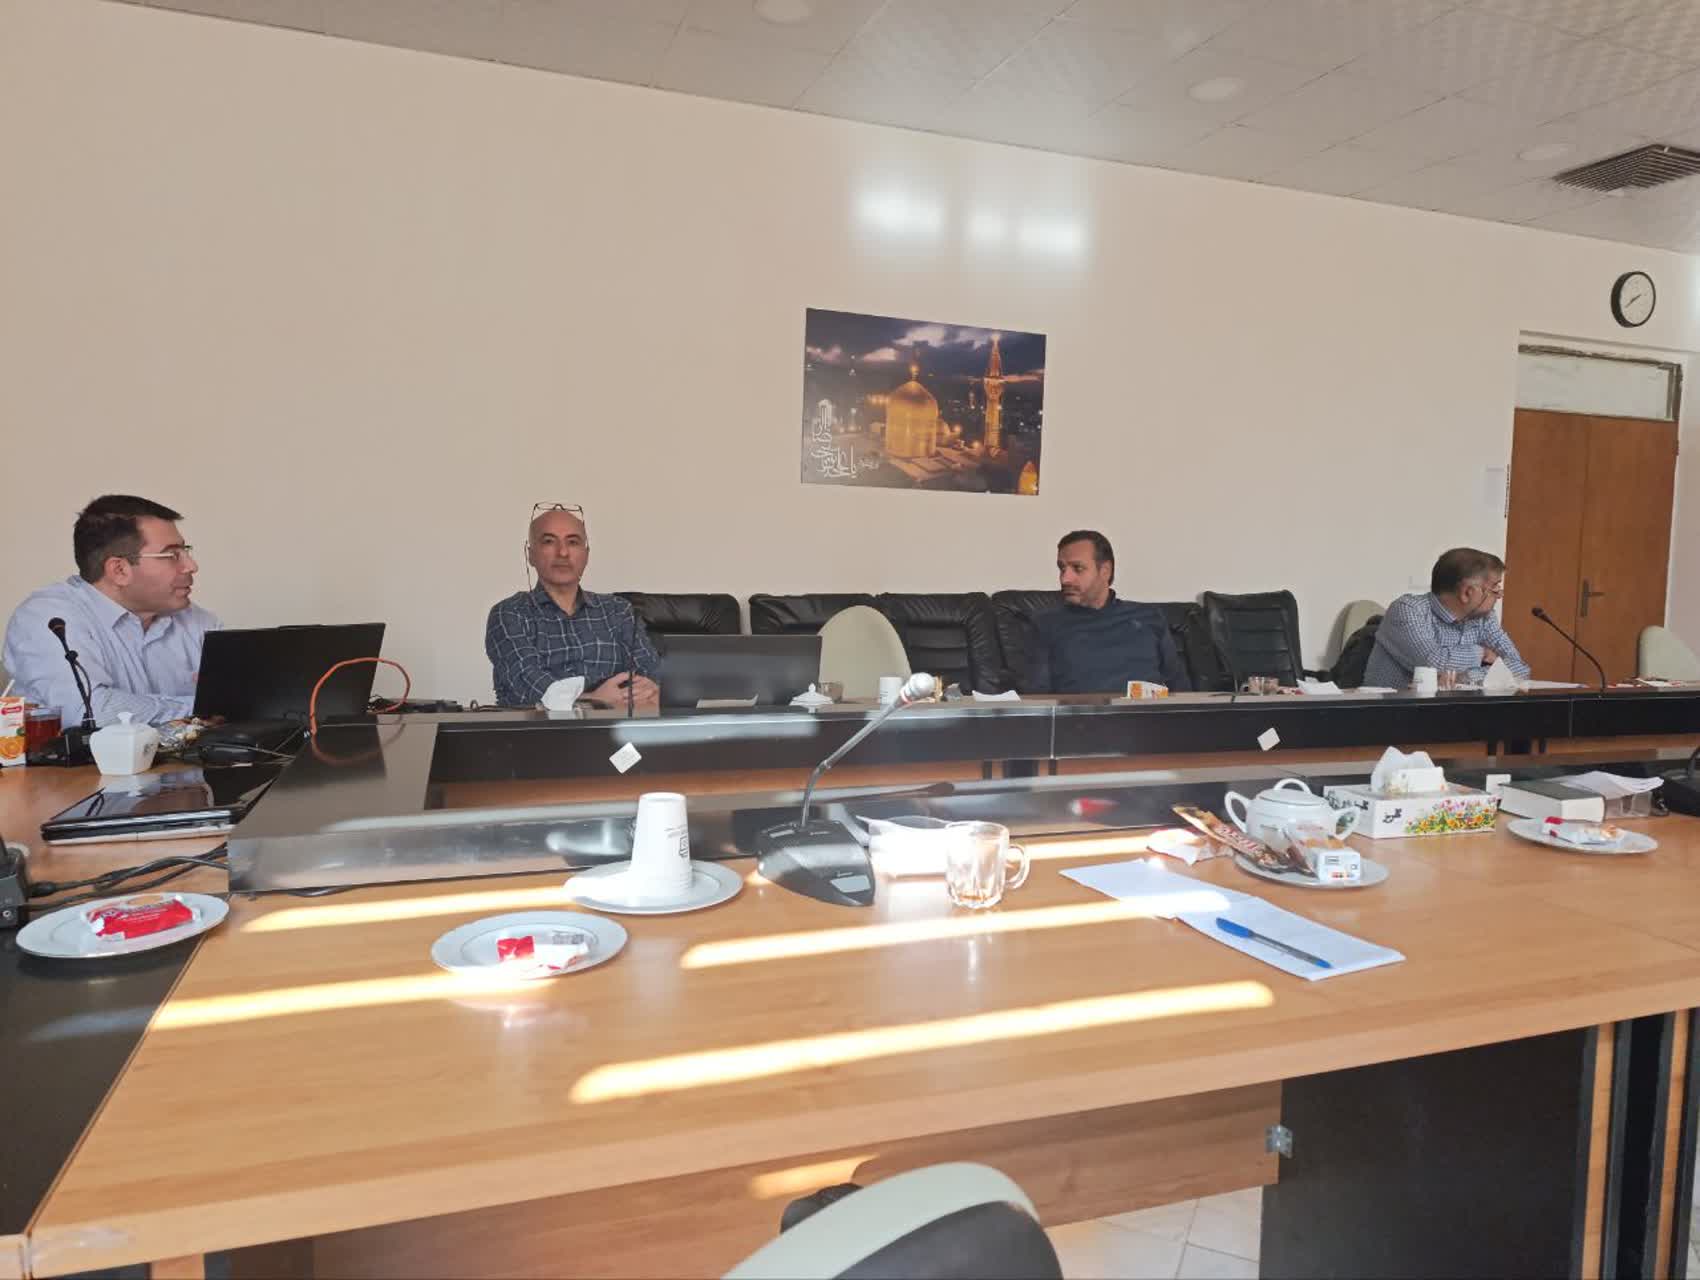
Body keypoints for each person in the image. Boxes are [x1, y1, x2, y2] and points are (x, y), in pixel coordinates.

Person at [3, 494, 219, 726]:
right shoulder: (50, 619)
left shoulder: (197, 621)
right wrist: (203, 708)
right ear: (119, 570)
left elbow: (240, 699)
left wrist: (218, 705)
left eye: (186, 551)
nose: (191, 566)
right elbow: (91, 712)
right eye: (173, 555)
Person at [485, 505, 661, 709]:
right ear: (530, 554)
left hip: (616, 726)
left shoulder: (617, 611)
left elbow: (651, 675)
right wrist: (595, 701)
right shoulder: (510, 614)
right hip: (539, 727)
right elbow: (530, 688)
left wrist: (650, 691)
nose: (562, 552)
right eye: (549, 541)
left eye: (573, 542)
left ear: (586, 554)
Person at [1025, 530, 1190, 693]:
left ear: (1105, 571)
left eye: (1077, 568)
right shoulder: (1046, 624)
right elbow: (1036, 698)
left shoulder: (1149, 617)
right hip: (1079, 711)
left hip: (1145, 710)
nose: (1065, 579)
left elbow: (1180, 689)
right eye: (1062, 568)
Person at [1364, 547, 1531, 688]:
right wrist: (1481, 654)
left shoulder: (1484, 618)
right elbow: (1433, 662)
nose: (1500, 595)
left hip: (1451, 709)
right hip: (1393, 711)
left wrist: (1464, 677)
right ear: (1467, 593)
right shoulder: (1408, 609)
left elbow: (1520, 668)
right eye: (1494, 589)